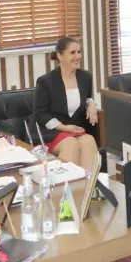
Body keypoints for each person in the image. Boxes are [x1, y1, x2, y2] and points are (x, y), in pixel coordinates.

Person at [33, 37, 99, 170]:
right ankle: (65, 183)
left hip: (74, 128)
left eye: (79, 52)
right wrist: (64, 128)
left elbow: (86, 97)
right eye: (72, 53)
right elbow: (40, 114)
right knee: (71, 144)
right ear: (60, 56)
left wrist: (92, 104)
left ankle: (87, 183)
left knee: (89, 141)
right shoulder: (45, 81)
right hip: (51, 131)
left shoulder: (85, 77)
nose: (77, 56)